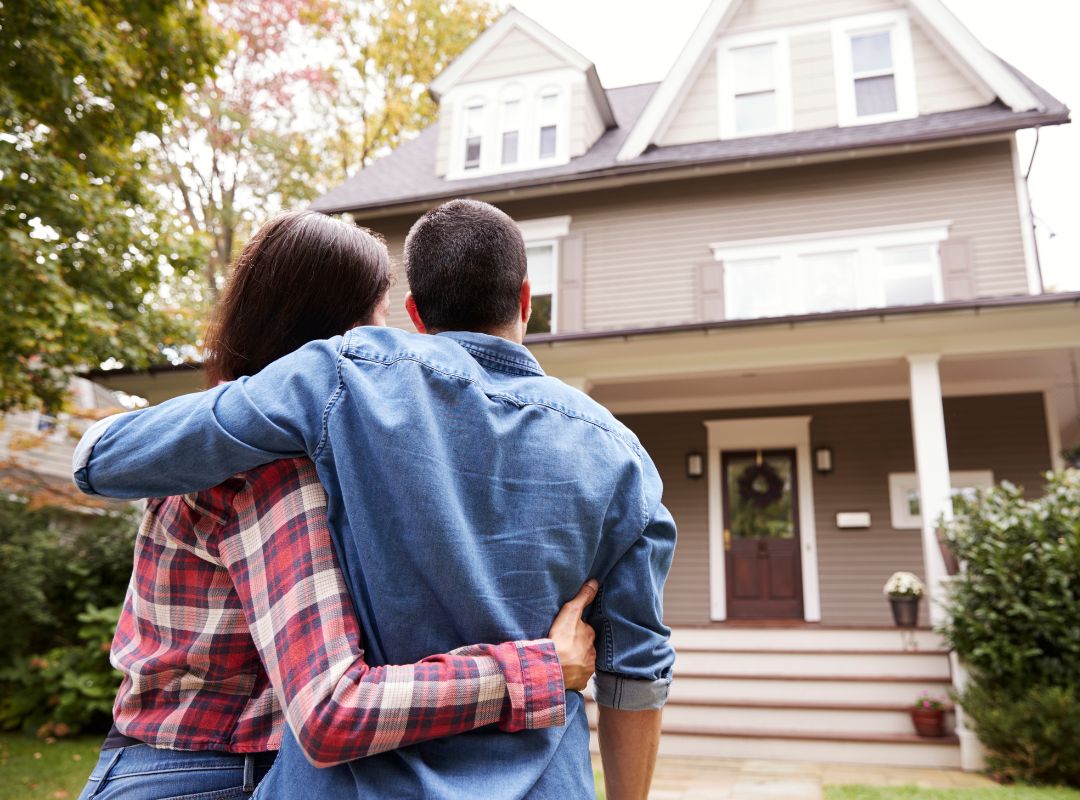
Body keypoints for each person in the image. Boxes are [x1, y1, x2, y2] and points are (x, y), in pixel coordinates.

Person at [74, 199, 676, 800]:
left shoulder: (339, 384)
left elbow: (101, 461)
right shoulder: (624, 458)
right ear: (525, 300)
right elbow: (637, 671)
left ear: (414, 313)